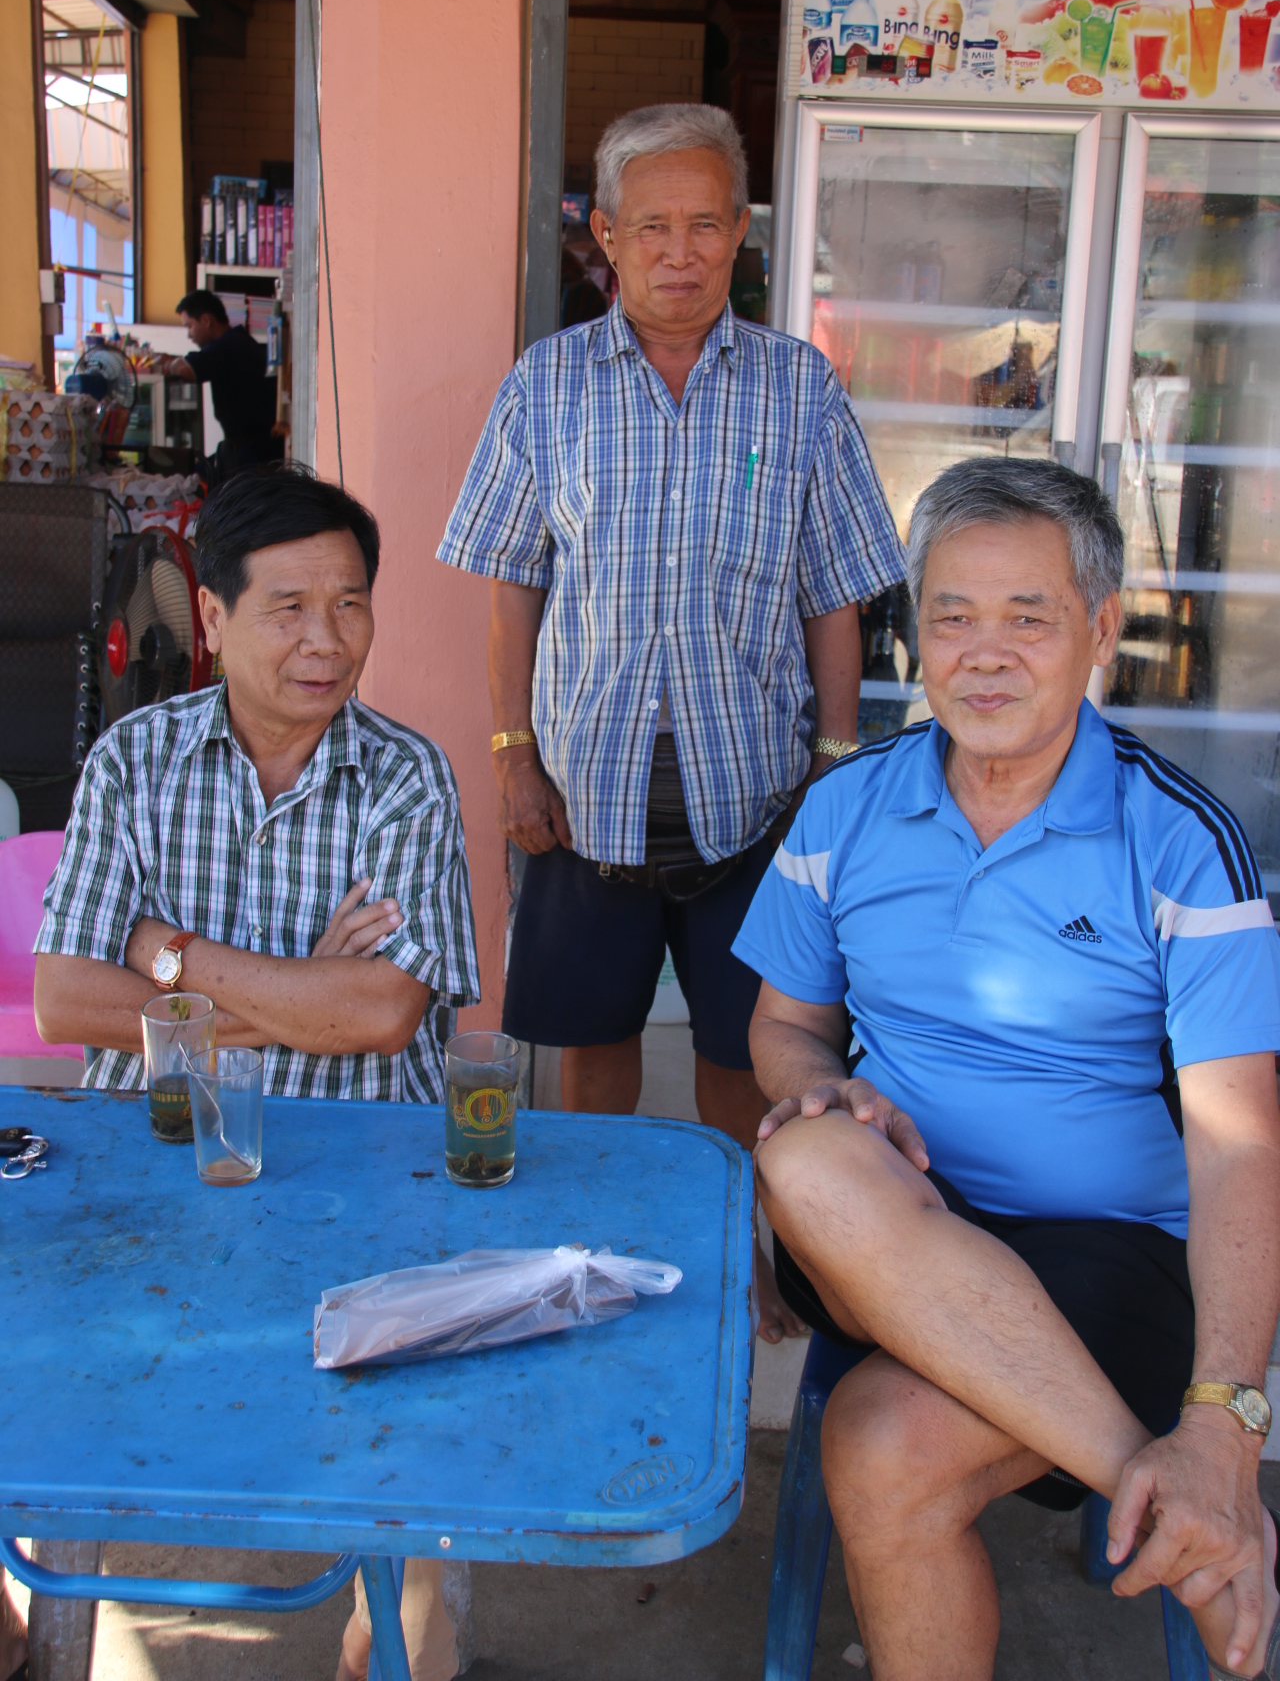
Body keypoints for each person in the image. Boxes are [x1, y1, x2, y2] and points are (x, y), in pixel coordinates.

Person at [733, 457, 1280, 1680]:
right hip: (883, 1218)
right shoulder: (845, 808)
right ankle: (1199, 1531)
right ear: (913, 635)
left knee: (879, 1452)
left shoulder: (1179, 840)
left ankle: (1192, 1498)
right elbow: (782, 1028)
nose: (983, 656)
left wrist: (1221, 1417)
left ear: (1099, 630)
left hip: (1105, 1251)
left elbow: (1238, 1147)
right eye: (951, 618)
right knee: (805, 1159)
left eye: (1026, 618)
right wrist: (821, 1081)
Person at [438, 103, 904, 1340]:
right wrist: (510, 754)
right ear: (604, 235)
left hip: (752, 787)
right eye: (651, 226)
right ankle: (582, 1257)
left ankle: (741, 1259)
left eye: (704, 224)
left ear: (740, 230)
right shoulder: (546, 385)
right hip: (582, 782)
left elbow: (836, 593)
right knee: (585, 1044)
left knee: (743, 1053)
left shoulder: (797, 388)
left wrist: (833, 765)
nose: (679, 252)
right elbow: (510, 582)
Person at [33, 465, 479, 1681]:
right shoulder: (133, 760)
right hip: (151, 1159)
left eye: (350, 603)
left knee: (417, 1395)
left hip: (360, 1164)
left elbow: (382, 1016)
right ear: (214, 616)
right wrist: (301, 999)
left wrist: (168, 956)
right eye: (288, 608)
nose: (326, 640)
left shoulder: (407, 776)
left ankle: (401, 1620)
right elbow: (67, 999)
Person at [162, 289, 278, 475]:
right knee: (193, 472)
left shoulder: (228, 346)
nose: (189, 335)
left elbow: (185, 369)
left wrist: (166, 364)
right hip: (249, 448)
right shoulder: (235, 340)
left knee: (190, 476)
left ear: (206, 320)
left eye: (189, 326)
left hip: (254, 454)